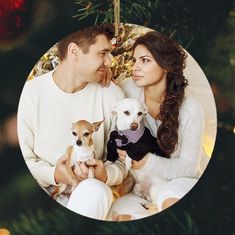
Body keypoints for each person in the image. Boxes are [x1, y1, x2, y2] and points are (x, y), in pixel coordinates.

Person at [17, 25, 129, 220]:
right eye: (102, 53)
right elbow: (23, 161)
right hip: (38, 199)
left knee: (96, 192)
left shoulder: (113, 96)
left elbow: (125, 160)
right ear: (74, 51)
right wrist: (55, 175)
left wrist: (106, 175)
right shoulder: (30, 94)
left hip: (91, 193)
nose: (109, 61)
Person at [107, 31, 210, 220]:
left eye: (145, 60)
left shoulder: (190, 109)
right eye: (134, 60)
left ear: (166, 66)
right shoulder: (127, 89)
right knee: (116, 212)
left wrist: (147, 161)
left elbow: (189, 167)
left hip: (181, 180)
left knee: (168, 200)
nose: (135, 67)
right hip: (142, 184)